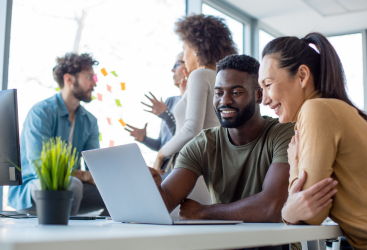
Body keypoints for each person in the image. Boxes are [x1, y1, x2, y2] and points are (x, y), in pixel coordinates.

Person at [259, 33, 367, 249]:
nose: (265, 98)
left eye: (268, 84)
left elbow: (311, 214)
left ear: (302, 76)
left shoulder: (316, 109)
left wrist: (293, 167)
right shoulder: (332, 108)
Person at [149, 55, 298, 250]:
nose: (224, 101)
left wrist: (203, 212)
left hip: (274, 244)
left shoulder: (284, 132)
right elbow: (165, 201)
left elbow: (271, 208)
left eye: (236, 92)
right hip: (228, 244)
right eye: (218, 93)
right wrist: (150, 187)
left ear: (259, 95)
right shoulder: (203, 144)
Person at [9, 53, 108, 216]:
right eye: (89, 76)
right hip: (34, 187)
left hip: (72, 189)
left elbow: (95, 170)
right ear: (69, 79)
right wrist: (84, 175)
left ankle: (101, 238)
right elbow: (42, 168)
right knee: (73, 185)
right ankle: (65, 237)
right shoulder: (41, 112)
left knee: (118, 191)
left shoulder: (90, 121)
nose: (94, 83)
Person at [152, 14, 238, 173]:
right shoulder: (220, 79)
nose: (184, 56)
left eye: (185, 49)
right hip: (210, 166)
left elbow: (192, 129)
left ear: (197, 47)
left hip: (191, 168)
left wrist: (160, 154)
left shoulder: (200, 75)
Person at [125, 52, 187, 179]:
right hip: (163, 168)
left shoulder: (192, 103)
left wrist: (165, 115)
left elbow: (184, 137)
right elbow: (162, 145)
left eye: (177, 64)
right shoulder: (170, 101)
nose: (172, 69)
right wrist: (145, 139)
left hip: (178, 169)